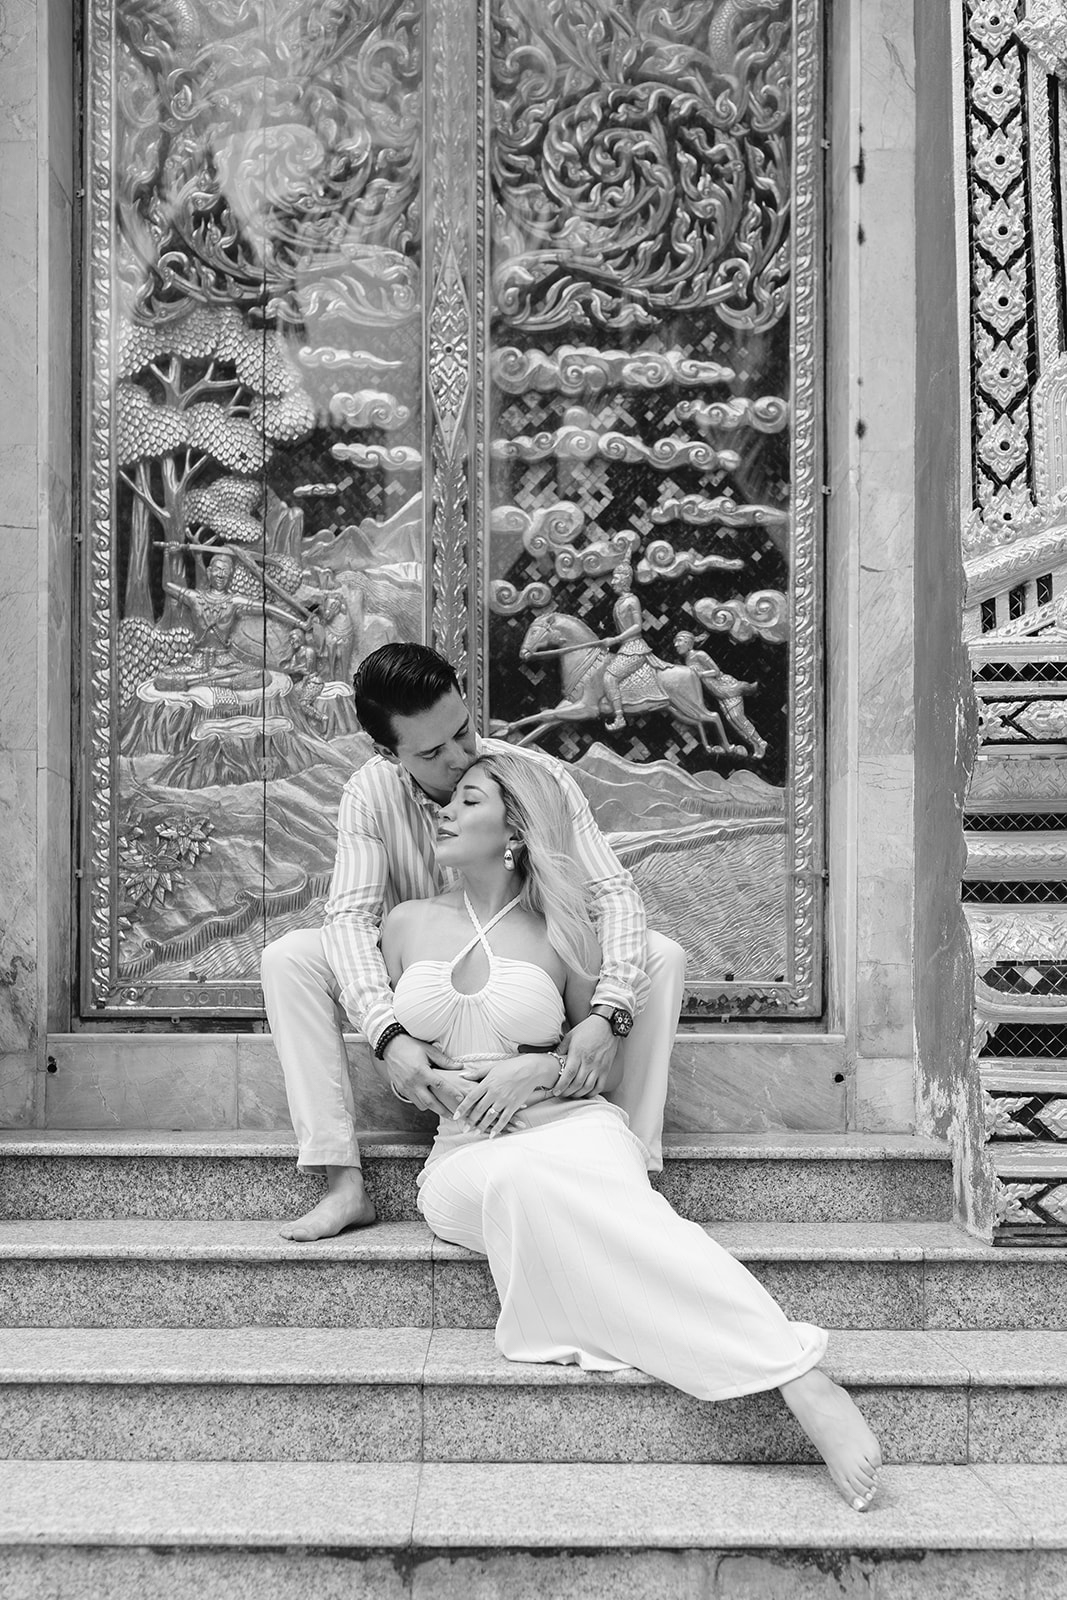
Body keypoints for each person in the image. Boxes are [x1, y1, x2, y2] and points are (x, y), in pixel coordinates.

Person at [380, 747, 881, 1514]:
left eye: (468, 801)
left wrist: (534, 1069)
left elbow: (599, 1065)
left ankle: (804, 1386)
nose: (444, 811)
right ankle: (791, 1367)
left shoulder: (565, 930)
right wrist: (430, 1077)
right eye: (447, 803)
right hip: (465, 1157)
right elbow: (396, 1060)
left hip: (573, 1126)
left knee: (587, 1184)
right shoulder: (405, 924)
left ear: (514, 830)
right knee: (524, 1178)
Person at [260, 642, 685, 1242]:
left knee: (660, 956)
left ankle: (631, 1169)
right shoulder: (368, 793)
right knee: (289, 959)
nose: (460, 758)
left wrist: (608, 1013)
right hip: (414, 970)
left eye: (462, 731)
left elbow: (611, 893)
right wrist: (388, 1035)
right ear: (389, 752)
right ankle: (342, 1183)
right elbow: (350, 918)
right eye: (432, 753)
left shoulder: (533, 777)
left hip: (522, 958)